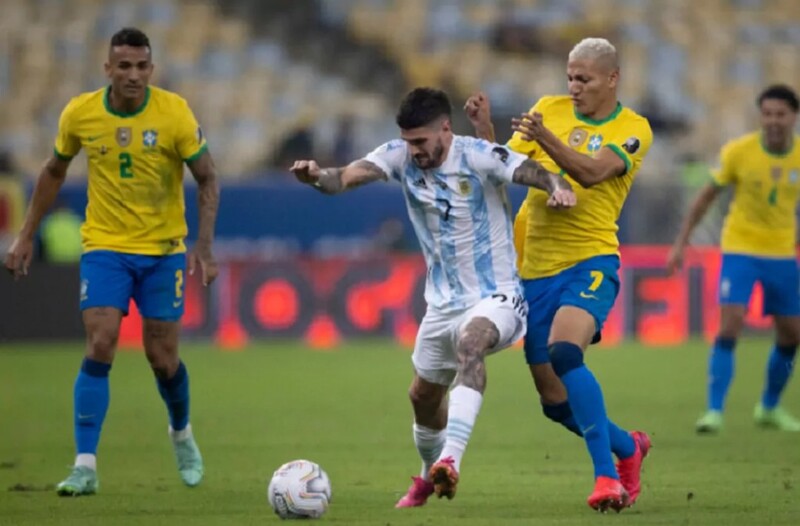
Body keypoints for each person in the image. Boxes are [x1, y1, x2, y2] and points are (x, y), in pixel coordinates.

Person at [291, 87, 576, 507]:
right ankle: (428, 477)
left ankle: (450, 461)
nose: (415, 151)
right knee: (422, 398)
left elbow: (531, 170)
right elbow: (345, 177)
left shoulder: (477, 155)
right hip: (441, 304)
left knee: (471, 343)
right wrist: (316, 177)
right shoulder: (398, 155)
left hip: (497, 295)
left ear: (445, 129)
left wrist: (557, 186)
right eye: (408, 142)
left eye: (421, 142)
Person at [4, 27, 220, 496]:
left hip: (163, 251)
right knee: (101, 342)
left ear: (152, 69)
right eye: (124, 66)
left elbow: (206, 177)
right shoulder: (81, 113)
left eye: (142, 67)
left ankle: (180, 432)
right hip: (105, 246)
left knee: (162, 359)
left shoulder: (174, 113)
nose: (133, 75)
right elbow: (53, 171)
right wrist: (25, 235)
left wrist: (203, 245)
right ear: (107, 69)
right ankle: (85, 466)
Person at [466, 37, 653, 511]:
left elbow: (591, 174)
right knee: (553, 401)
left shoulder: (633, 128)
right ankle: (628, 447)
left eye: (584, 79)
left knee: (566, 352)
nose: (574, 87)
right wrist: (486, 130)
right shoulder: (549, 107)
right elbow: (503, 168)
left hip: (590, 262)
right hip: (534, 272)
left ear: (612, 79)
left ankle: (607, 478)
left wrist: (547, 138)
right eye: (570, 77)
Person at [667, 84, 800, 434]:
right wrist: (681, 242)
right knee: (731, 323)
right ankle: (714, 410)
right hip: (740, 248)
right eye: (767, 114)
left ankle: (769, 408)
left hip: (782, 253)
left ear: (793, 117)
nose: (773, 121)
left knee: (791, 334)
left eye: (780, 114)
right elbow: (705, 198)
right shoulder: (739, 152)